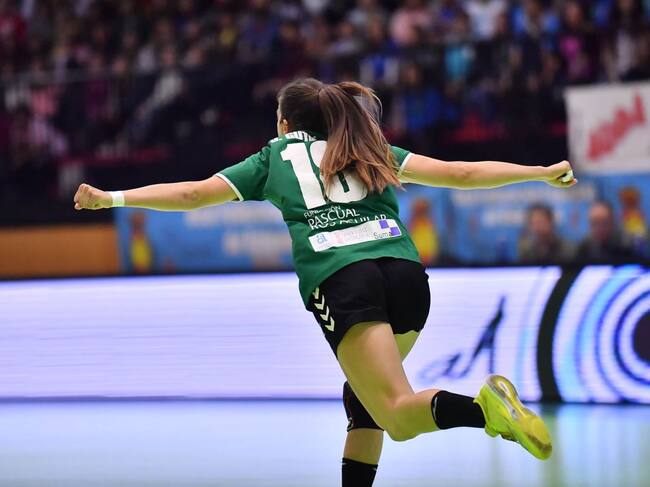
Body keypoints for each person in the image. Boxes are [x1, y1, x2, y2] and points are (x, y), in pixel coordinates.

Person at [73, 78, 576, 487]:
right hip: (406, 277)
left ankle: (486, 410)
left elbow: (192, 195)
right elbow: (460, 174)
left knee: (397, 415)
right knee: (364, 397)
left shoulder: (273, 156)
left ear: (284, 123)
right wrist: (540, 172)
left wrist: (112, 198)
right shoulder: (366, 146)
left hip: (344, 279)